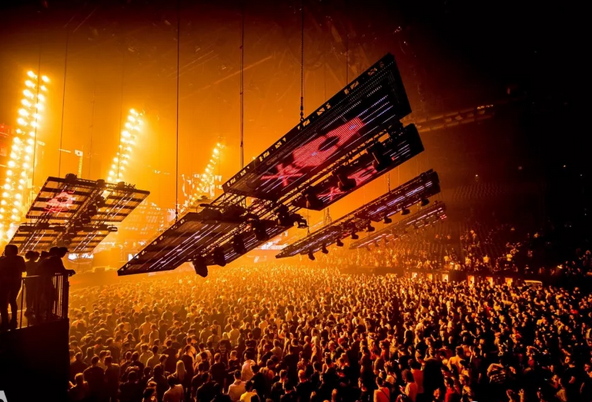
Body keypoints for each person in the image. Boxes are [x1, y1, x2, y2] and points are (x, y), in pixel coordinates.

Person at [0, 244, 26, 330]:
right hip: (15, 282)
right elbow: (24, 269)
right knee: (12, 300)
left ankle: (5, 321)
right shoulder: (20, 259)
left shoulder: (3, 260)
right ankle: (13, 319)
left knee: (3, 302)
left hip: (4, 283)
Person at [23, 250, 40, 316]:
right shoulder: (36, 264)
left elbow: (24, 270)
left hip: (28, 280)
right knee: (35, 294)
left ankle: (28, 308)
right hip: (35, 280)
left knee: (28, 294)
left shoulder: (26, 263)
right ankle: (34, 308)